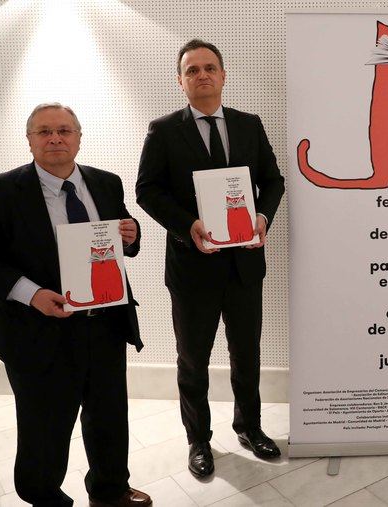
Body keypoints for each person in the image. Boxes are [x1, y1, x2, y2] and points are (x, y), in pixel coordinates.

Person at [0, 103, 151, 506]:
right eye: (44, 131)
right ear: (29, 140)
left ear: (79, 138)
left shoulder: (106, 182)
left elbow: (120, 236)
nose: (55, 138)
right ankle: (45, 498)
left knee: (109, 418)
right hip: (36, 331)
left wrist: (132, 234)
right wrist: (32, 294)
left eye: (64, 130)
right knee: (44, 429)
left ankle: (110, 490)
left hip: (105, 324)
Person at [136, 39, 285, 477]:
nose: (201, 75)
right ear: (180, 81)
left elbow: (273, 181)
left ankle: (249, 427)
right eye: (192, 70)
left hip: (244, 264)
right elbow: (147, 190)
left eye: (209, 68)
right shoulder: (164, 130)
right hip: (191, 266)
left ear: (223, 75)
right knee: (193, 360)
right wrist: (188, 225)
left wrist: (262, 217)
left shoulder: (248, 125)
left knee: (247, 354)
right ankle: (198, 440)